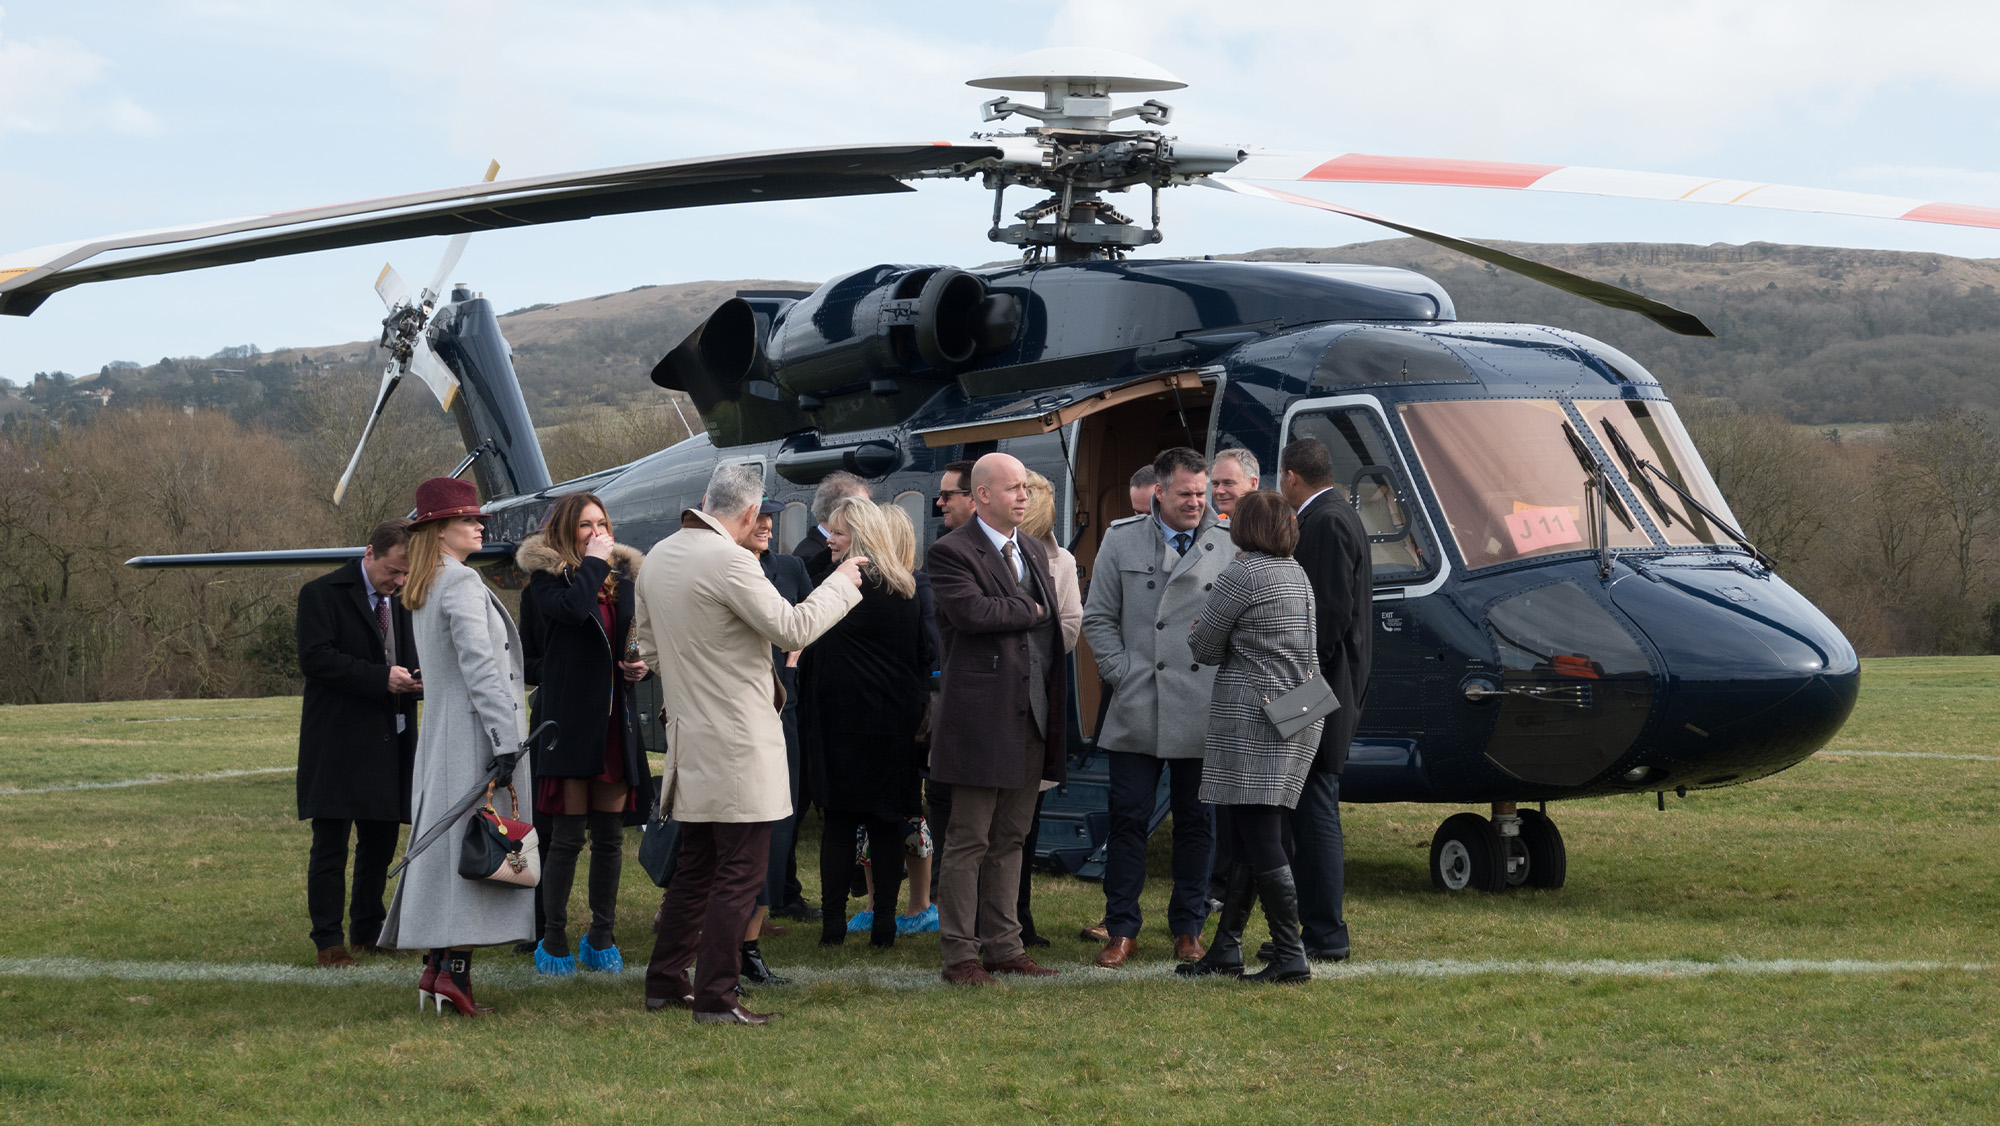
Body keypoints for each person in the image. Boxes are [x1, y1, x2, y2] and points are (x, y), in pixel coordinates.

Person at [634, 463, 867, 1025]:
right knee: (740, 871)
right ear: (748, 512)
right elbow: (792, 629)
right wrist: (843, 582)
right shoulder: (731, 560)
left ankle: (666, 980)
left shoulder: (659, 555)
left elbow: (649, 648)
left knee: (697, 865)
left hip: (690, 734)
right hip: (739, 739)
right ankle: (717, 995)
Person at [379, 477, 534, 1016]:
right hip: (474, 736)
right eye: (468, 519)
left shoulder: (428, 583)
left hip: (443, 735)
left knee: (449, 850)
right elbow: (481, 669)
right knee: (475, 851)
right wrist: (506, 741)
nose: (479, 526)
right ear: (439, 530)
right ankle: (454, 976)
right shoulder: (461, 581)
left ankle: (436, 968)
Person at [1080, 447, 1233, 968]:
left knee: (1197, 822)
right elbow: (1098, 617)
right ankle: (1121, 928)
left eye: (1202, 492)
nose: (1196, 502)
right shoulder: (1121, 538)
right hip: (1138, 701)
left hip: (1201, 704)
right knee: (1127, 817)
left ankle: (1189, 928)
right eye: (1186, 493)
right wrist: (1122, 672)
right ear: (1160, 492)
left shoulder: (1229, 542)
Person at [927, 452, 1067, 986]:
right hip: (979, 720)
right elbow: (973, 613)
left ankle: (1005, 946)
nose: (1023, 496)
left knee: (1011, 836)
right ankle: (960, 955)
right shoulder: (951, 551)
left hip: (1032, 714)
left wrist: (1028, 612)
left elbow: (1043, 625)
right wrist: (1032, 610)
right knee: (969, 838)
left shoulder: (1030, 547)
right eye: (1013, 488)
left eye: (1025, 487)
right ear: (982, 494)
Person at [1179, 490, 1323, 985]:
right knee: (1245, 833)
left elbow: (1203, 646)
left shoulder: (1243, 573)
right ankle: (1227, 948)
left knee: (1259, 836)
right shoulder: (1296, 572)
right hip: (1298, 711)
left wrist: (1203, 627)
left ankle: (1290, 954)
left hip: (1254, 717)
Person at [515, 493, 649, 977]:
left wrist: (640, 667)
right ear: (566, 531)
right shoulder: (545, 580)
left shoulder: (623, 582)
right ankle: (553, 940)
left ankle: (601, 936)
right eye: (586, 525)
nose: (597, 533)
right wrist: (593, 563)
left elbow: (635, 640)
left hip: (614, 720)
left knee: (610, 838)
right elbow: (571, 612)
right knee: (567, 837)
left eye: (602, 524)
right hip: (568, 724)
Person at [801, 496, 931, 947]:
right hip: (893, 723)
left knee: (839, 824)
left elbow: (807, 631)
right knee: (886, 823)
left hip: (841, 722)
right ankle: (885, 925)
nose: (829, 540)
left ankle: (833, 925)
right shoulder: (904, 588)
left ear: (857, 537)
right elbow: (921, 657)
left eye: (838, 532)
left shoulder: (839, 586)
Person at [295, 518, 422, 968]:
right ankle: (328, 941)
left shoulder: (404, 601)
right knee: (330, 846)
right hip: (337, 742)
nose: (399, 581)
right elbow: (316, 658)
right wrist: (380, 678)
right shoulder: (320, 594)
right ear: (370, 554)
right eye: (393, 570)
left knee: (380, 844)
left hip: (391, 742)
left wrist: (418, 680)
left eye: (406, 574)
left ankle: (369, 930)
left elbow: (410, 657)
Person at [1276, 437, 1373, 963]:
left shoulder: (1326, 521)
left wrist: (1300, 686)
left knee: (1313, 805)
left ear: (1292, 477)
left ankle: (1325, 934)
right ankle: (1310, 929)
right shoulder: (1337, 514)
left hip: (1318, 687)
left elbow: (1329, 616)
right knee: (1303, 804)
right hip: (1324, 684)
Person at [1014, 469, 1081, 947]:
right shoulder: (987, 552)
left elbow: (1072, 626)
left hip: (1039, 696)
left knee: (1026, 820)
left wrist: (1033, 636)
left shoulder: (1062, 561)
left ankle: (1018, 915)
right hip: (1001, 697)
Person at [748, 497, 812, 978]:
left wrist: (793, 664)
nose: (767, 525)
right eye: (756, 517)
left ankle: (756, 920)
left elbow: (807, 624)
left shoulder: (789, 568)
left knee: (780, 814)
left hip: (782, 705)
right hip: (737, 710)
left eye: (770, 517)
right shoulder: (724, 568)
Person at [921, 459, 976, 903]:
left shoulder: (1018, 553)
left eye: (947, 495)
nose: (939, 503)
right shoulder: (945, 549)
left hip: (981, 700)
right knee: (941, 797)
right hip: (948, 696)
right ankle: (941, 893)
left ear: (976, 497)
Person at [792, 470, 871, 582]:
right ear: (842, 509)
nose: (868, 515)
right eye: (860, 508)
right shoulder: (811, 557)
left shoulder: (815, 548)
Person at [1209, 448, 1260, 522]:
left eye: (1228, 483)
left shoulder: (1272, 525)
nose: (1219, 491)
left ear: (1252, 484)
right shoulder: (1213, 525)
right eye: (1215, 484)